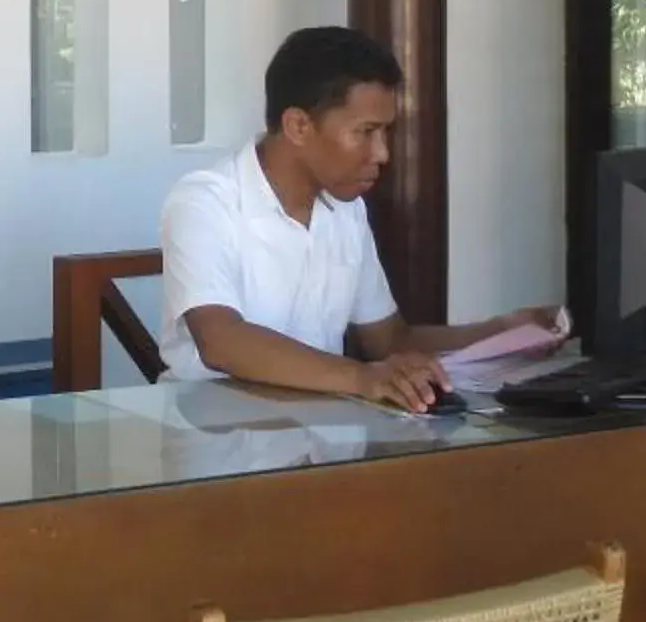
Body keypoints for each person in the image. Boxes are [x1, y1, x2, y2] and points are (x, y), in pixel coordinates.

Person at [159, 25, 558, 412]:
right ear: (298, 125)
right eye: (365, 132)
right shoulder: (204, 201)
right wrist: (362, 378)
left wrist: (504, 330)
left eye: (385, 132)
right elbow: (222, 342)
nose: (382, 153)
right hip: (211, 442)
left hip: (319, 434)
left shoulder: (347, 208)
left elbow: (389, 341)